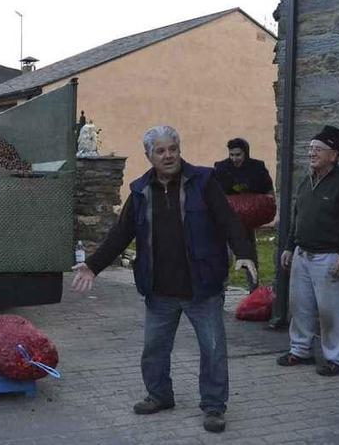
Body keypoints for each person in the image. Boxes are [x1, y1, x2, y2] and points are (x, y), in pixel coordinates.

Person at [71, 126, 257, 434]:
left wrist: (244, 252)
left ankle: (213, 406)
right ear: (149, 156)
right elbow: (121, 234)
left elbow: (229, 220)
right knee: (154, 349)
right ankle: (159, 395)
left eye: (172, 148)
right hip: (159, 289)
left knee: (213, 349)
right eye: (160, 151)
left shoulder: (204, 181)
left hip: (202, 287)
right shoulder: (141, 190)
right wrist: (92, 265)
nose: (168, 155)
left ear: (179, 149)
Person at [276, 125, 339, 377]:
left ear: (334, 155)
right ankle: (300, 350)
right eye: (310, 148)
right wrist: (290, 247)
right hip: (302, 255)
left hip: (329, 257)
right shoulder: (307, 181)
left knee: (331, 311)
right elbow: (297, 217)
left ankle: (337, 358)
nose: (311, 153)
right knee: (300, 306)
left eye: (318, 149)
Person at [213, 138, 274, 286]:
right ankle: (220, 289)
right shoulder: (221, 168)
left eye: (238, 155)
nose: (235, 159)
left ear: (245, 153)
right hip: (227, 217)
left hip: (247, 218)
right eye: (232, 155)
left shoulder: (257, 168)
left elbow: (268, 190)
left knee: (249, 253)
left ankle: (253, 288)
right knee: (223, 255)